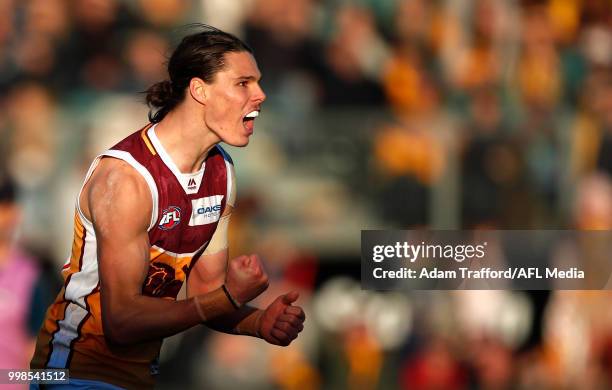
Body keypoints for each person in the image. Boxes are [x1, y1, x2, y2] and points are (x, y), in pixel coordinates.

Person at [30, 26, 306, 389]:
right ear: (199, 90)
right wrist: (225, 298)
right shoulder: (127, 179)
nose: (261, 95)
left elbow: (206, 292)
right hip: (75, 374)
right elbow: (122, 319)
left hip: (139, 377)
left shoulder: (221, 172)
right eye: (244, 83)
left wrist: (258, 323)